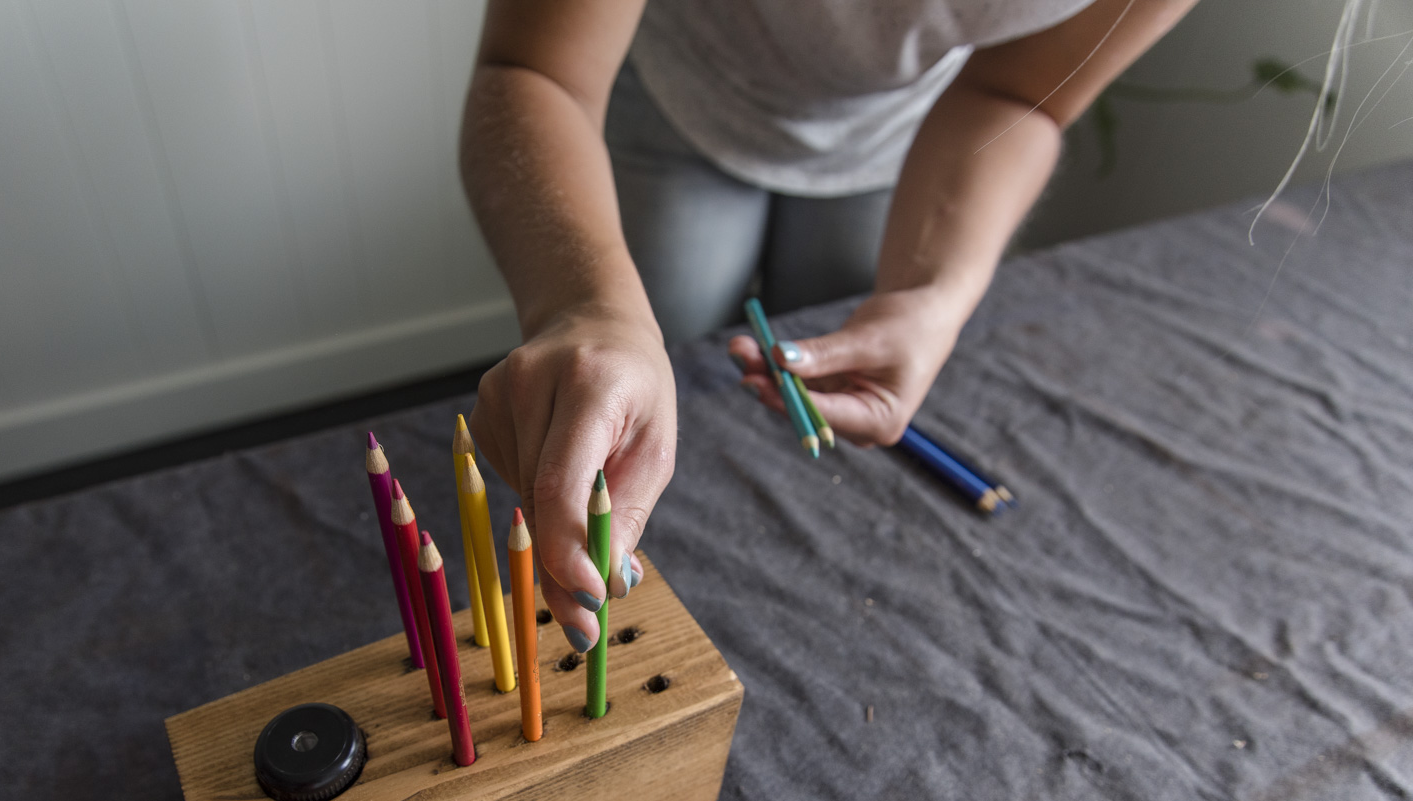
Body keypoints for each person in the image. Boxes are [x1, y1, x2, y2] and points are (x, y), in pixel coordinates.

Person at [459, 0, 1197, 652]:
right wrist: (587, 308)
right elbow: (537, 69)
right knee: (640, 364)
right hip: (675, 97)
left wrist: (937, 299)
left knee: (820, 352)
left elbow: (1023, 95)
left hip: (901, 139)